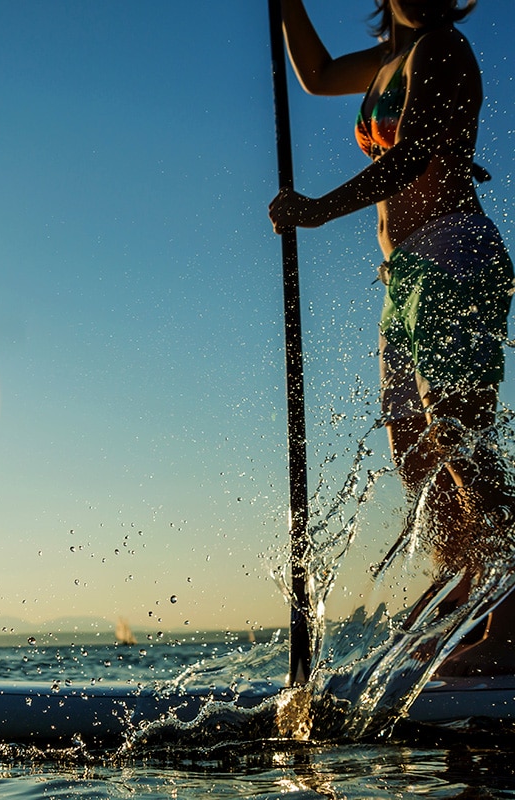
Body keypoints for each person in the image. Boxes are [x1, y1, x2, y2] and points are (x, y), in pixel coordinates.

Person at [268, 0, 515, 673]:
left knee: (459, 443)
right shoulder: (385, 63)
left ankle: (512, 622)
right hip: (401, 275)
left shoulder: (443, 49)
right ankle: (473, 587)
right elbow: (315, 74)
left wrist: (319, 210)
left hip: (454, 255)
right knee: (420, 459)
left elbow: (413, 158)